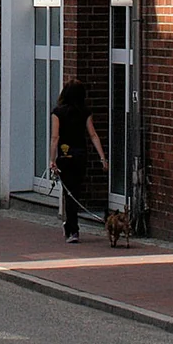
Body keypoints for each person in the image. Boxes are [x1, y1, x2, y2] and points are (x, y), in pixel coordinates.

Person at [48, 79, 108, 243]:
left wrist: (52, 160)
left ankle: (72, 230)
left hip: (64, 157)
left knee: (69, 194)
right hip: (80, 156)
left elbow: (55, 137)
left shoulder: (57, 113)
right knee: (75, 191)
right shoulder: (85, 112)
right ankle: (70, 226)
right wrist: (102, 158)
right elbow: (93, 135)